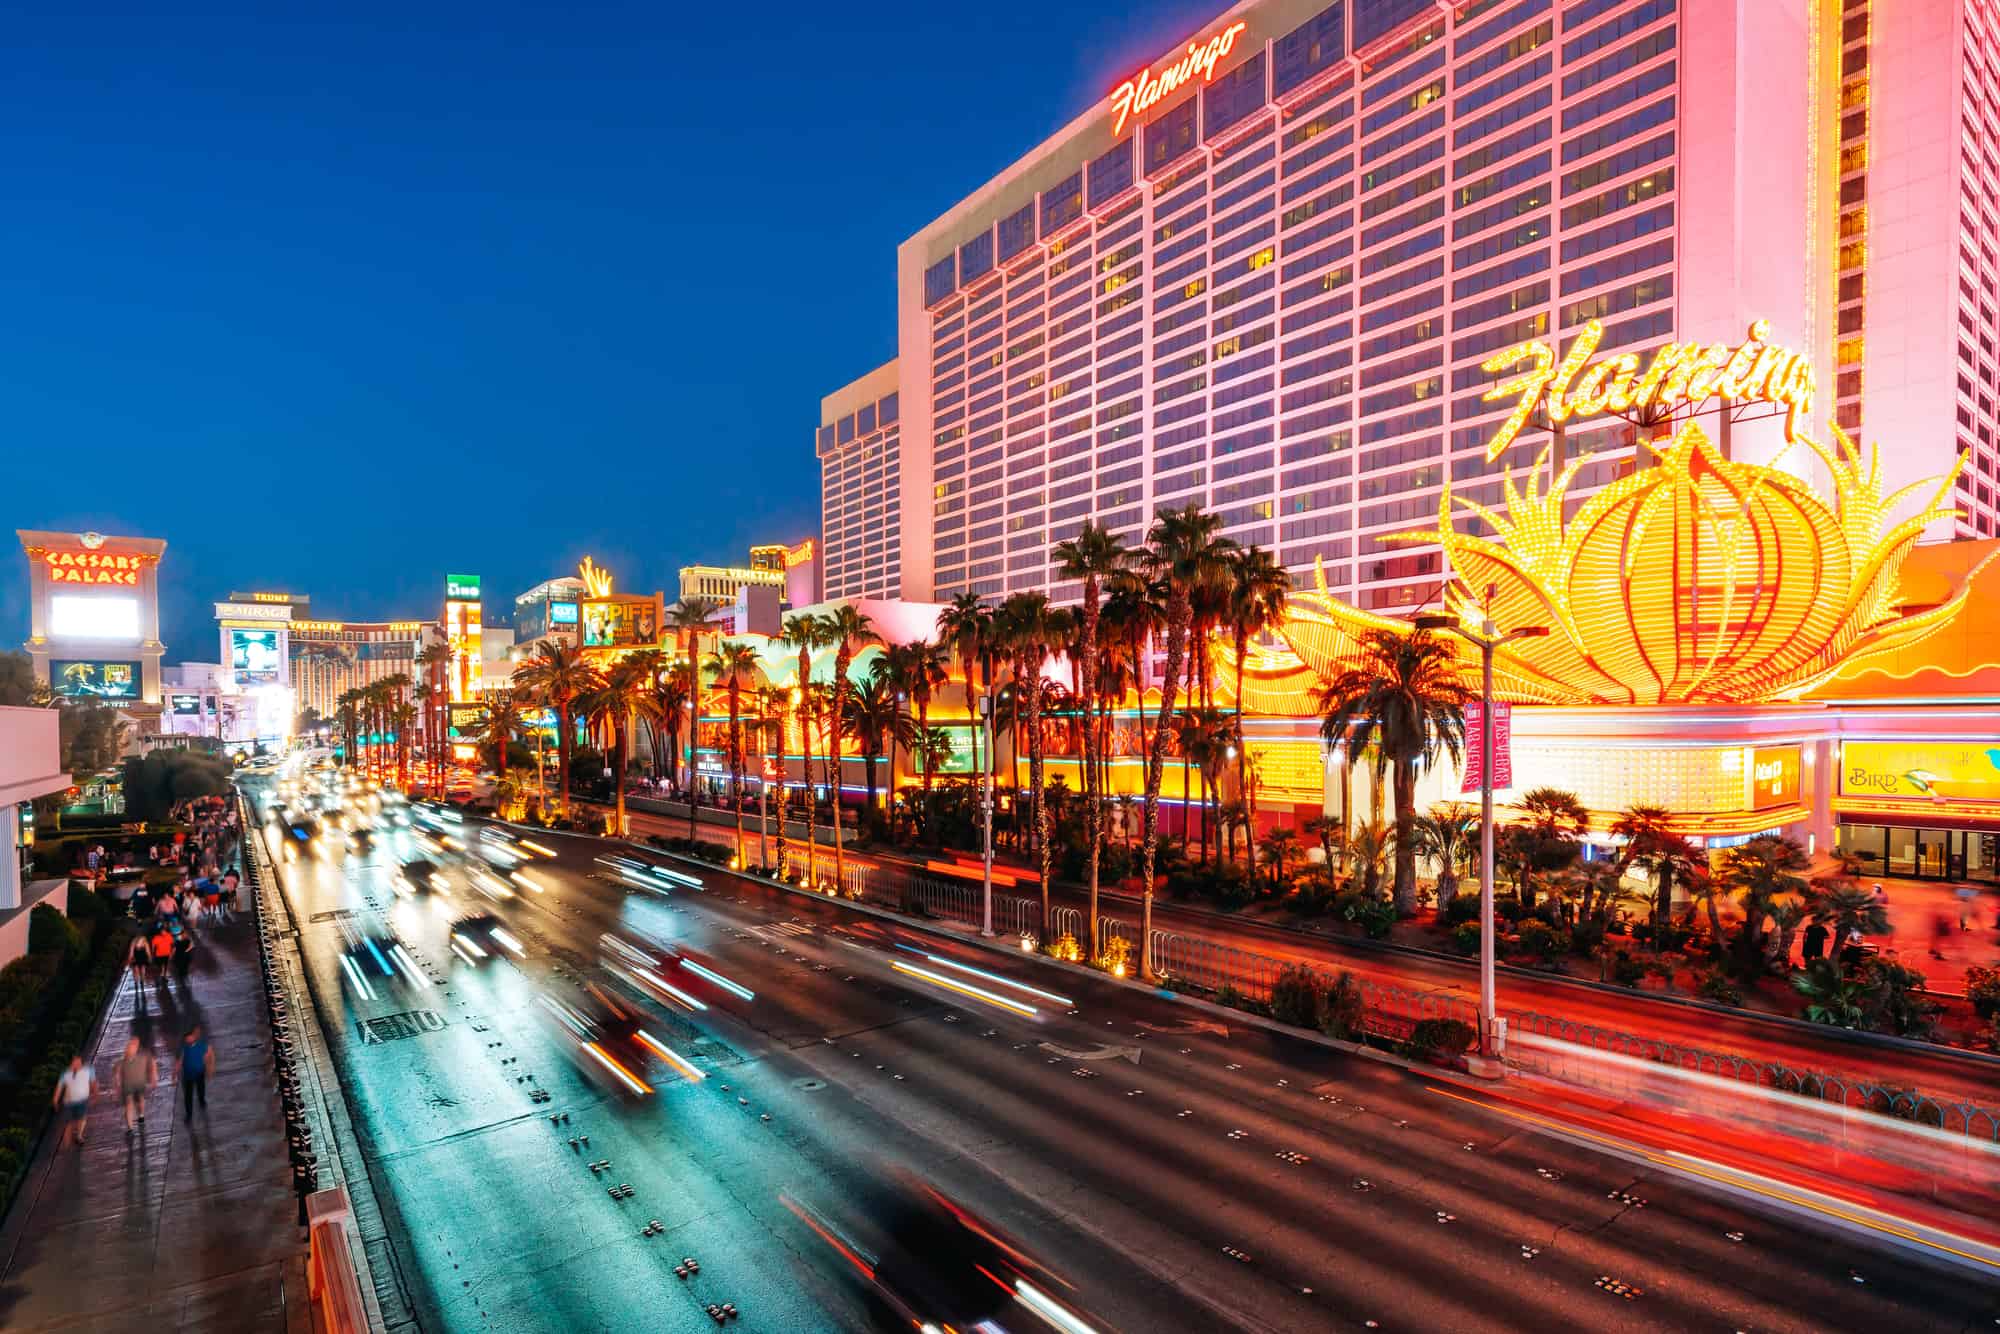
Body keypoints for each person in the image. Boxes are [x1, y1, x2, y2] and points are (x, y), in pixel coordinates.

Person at [53, 1055, 95, 1149]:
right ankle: (67, 1142)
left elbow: (92, 1083)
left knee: (82, 1118)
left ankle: (79, 1136)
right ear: (71, 1063)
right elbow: (59, 1087)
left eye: (79, 1062)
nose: (77, 1064)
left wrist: (94, 1093)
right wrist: (55, 1100)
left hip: (82, 1100)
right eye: (75, 1062)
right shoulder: (65, 1074)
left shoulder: (87, 1071)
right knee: (69, 1121)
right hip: (69, 1103)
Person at [116, 1037, 155, 1135]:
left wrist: (152, 1078)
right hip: (128, 1086)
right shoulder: (122, 1061)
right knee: (129, 1105)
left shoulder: (142, 1057)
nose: (130, 1049)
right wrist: (118, 1085)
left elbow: (151, 1066)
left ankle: (141, 1116)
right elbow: (118, 1074)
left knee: (140, 1101)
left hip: (139, 1084)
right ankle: (130, 1128)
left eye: (133, 1047)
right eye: (129, 1047)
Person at [180, 1025, 213, 1119]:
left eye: (189, 1038)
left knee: (200, 1088)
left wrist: (209, 1068)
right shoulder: (185, 1048)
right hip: (188, 1075)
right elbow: (181, 1060)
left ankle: (202, 1101)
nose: (188, 1040)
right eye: (187, 1039)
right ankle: (189, 1114)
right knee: (188, 1096)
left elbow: (207, 1057)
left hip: (199, 1072)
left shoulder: (201, 1045)